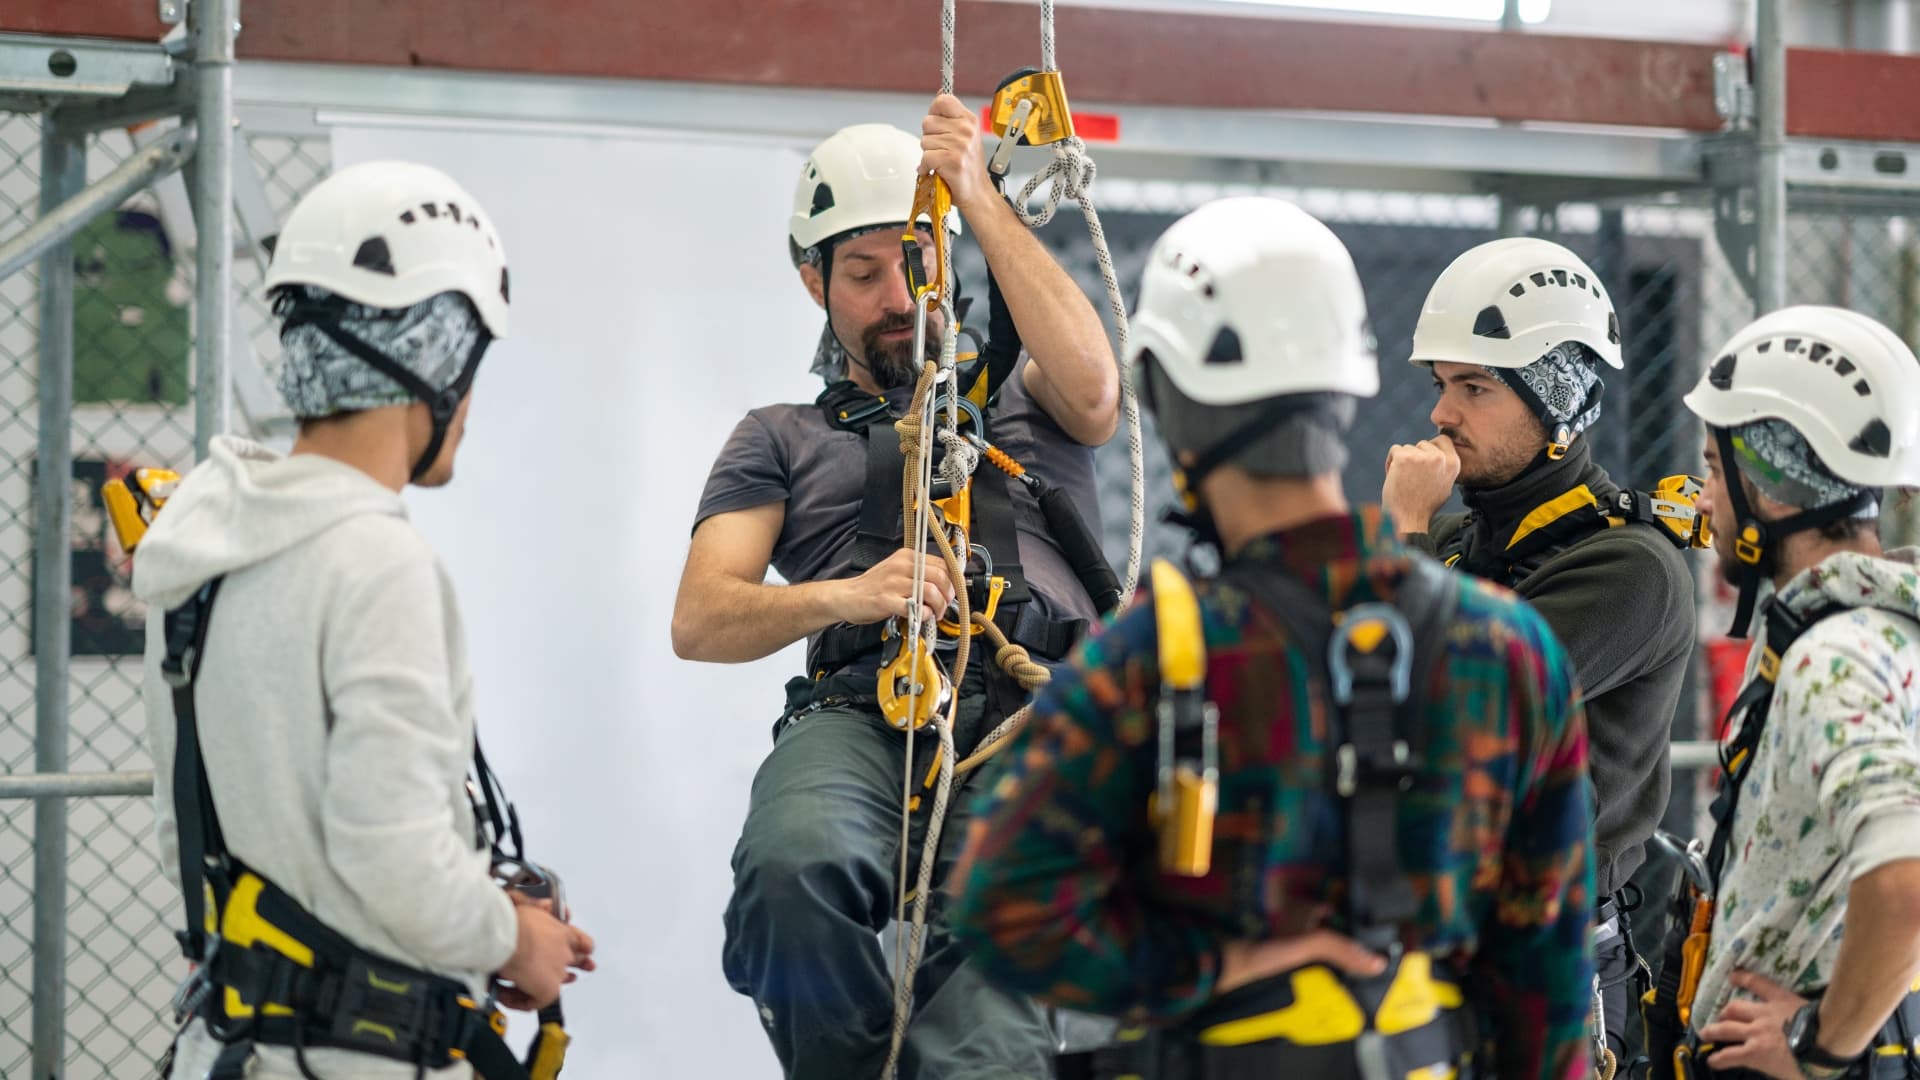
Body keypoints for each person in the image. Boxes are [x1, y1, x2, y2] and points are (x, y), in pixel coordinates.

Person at [949, 196, 1597, 1080]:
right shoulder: (1508, 650)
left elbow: (1002, 907)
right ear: (1344, 391)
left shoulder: (1162, 654)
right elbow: (1547, 985)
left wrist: (1215, 966)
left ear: (1174, 409)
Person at [672, 94, 1117, 1078]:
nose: (896, 296)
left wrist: (977, 202)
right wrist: (849, 596)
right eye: (863, 274)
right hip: (863, 703)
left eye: (916, 263)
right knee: (790, 874)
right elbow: (702, 616)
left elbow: (1096, 386)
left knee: (990, 1013)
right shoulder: (780, 436)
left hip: (1032, 705)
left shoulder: (1020, 391)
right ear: (813, 281)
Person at [136, 161, 593, 1078]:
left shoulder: (202, 550)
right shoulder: (378, 563)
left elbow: (237, 827)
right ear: (436, 359)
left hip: (233, 1048)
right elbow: (391, 855)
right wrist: (514, 938)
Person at [1382, 237, 1699, 1061]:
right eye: (1441, 386)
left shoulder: (1631, 569)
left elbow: (1453, 705)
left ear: (1557, 401)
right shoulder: (1459, 543)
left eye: (1475, 387)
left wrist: (1407, 535)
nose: (1441, 415)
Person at [1655, 305, 1920, 1080]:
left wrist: (1817, 1048)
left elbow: (1905, 878)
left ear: (1771, 482)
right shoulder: (1888, 633)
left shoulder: (1832, 659)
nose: (1703, 499)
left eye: (1713, 467)